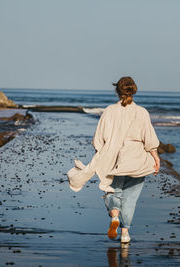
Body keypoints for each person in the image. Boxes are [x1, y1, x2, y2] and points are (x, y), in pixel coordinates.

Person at [67, 76, 160, 243]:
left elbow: (98, 140)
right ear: (134, 90)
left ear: (117, 91)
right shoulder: (142, 112)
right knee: (131, 199)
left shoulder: (109, 111)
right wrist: (156, 158)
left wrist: (101, 156)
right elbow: (150, 140)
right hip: (136, 160)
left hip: (113, 160)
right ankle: (125, 233)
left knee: (112, 191)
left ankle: (114, 214)